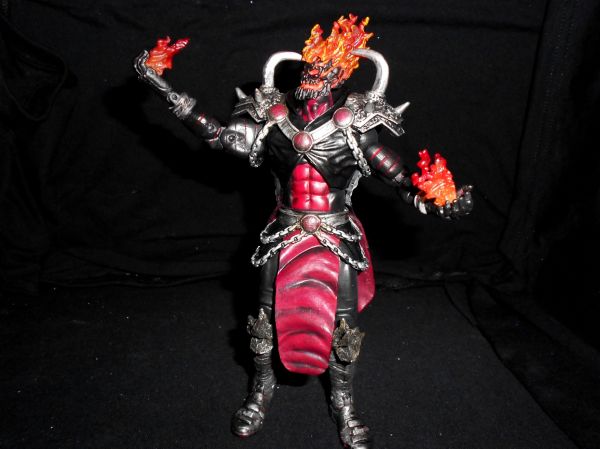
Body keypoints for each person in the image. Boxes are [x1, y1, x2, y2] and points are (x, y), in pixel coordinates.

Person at [134, 14, 473, 449]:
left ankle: (344, 403)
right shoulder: (273, 119)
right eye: (311, 64)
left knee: (344, 328)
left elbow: (400, 179)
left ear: (340, 74)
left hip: (336, 238)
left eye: (324, 66)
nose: (313, 72)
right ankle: (260, 390)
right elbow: (218, 135)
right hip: (284, 233)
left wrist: (438, 201)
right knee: (263, 320)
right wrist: (164, 88)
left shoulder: (357, 124)